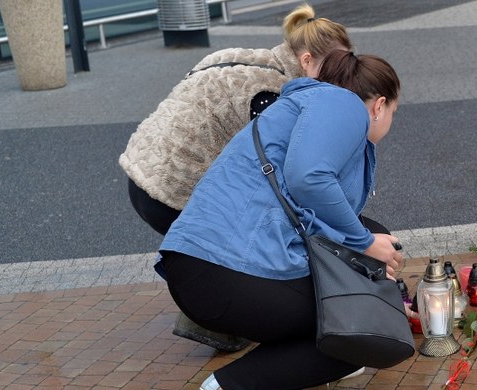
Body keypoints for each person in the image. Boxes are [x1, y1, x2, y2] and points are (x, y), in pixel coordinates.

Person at [157, 50, 401, 390]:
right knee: (359, 327)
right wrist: (364, 243)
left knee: (356, 308)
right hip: (227, 273)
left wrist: (369, 242)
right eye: (393, 111)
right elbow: (309, 178)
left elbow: (312, 205)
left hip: (198, 268)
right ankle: (226, 386)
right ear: (379, 105)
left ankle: (281, 371)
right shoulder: (344, 105)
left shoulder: (301, 109)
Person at [118, 4, 352, 351]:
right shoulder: (272, 94)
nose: (341, 78)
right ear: (307, 61)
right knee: (249, 237)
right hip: (174, 190)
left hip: (142, 173)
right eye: (336, 68)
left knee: (220, 243)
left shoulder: (240, 57)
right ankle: (215, 318)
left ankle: (211, 318)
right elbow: (275, 172)